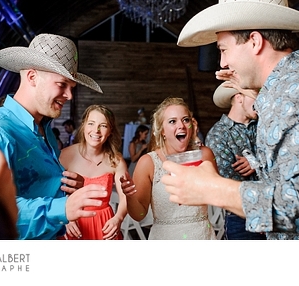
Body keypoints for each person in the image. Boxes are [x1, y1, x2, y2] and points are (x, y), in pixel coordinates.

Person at [169, 0, 299, 239]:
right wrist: (253, 92)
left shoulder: (297, 92)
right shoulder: (298, 83)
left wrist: (214, 189)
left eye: (223, 49)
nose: (222, 63)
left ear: (254, 41)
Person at [0, 33, 107, 239]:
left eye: (71, 88)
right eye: (62, 84)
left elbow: (34, 189)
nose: (70, 96)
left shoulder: (44, 127)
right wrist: (63, 207)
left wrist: (64, 189)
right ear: (32, 77)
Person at [121, 97, 218, 239]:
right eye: (172, 121)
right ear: (162, 131)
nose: (181, 126)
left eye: (185, 120)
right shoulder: (148, 162)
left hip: (202, 236)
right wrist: (129, 197)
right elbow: (139, 215)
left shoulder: (205, 155)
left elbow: (217, 197)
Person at [204, 82, 264, 240]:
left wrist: (257, 163)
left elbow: (283, 162)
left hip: (275, 211)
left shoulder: (265, 126)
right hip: (240, 219)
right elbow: (230, 183)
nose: (262, 102)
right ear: (239, 98)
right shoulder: (218, 135)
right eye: (256, 97)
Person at [60, 105, 129, 240]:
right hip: (73, 225)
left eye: (103, 125)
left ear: (110, 131)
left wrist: (118, 218)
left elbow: (125, 196)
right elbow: (51, 193)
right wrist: (63, 217)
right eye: (91, 123)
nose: (96, 130)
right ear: (84, 126)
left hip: (104, 226)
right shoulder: (64, 156)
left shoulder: (116, 160)